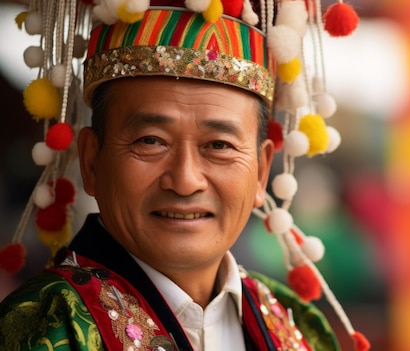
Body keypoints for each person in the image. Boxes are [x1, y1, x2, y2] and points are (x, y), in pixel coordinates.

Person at [0, 1, 369, 350]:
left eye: (219, 145)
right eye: (151, 141)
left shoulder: (298, 324)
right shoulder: (43, 326)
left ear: (260, 172)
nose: (185, 180)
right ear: (92, 161)